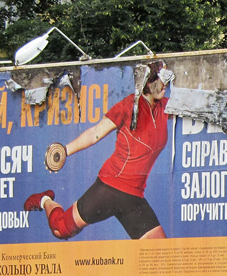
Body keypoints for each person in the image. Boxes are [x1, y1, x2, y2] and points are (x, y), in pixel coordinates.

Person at [24, 61, 173, 241]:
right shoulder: (128, 106)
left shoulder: (166, 107)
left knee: (159, 253)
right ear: (148, 82)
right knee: (60, 229)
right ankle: (45, 199)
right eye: (160, 79)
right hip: (110, 188)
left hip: (134, 196)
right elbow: (95, 133)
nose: (165, 84)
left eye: (167, 79)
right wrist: (64, 150)